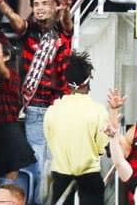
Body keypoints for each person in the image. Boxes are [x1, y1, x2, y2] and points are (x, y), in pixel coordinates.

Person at [44, 55, 113, 205]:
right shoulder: (98, 111)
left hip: (60, 175)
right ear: (88, 80)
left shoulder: (52, 110)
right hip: (89, 175)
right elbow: (102, 147)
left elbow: (50, 141)